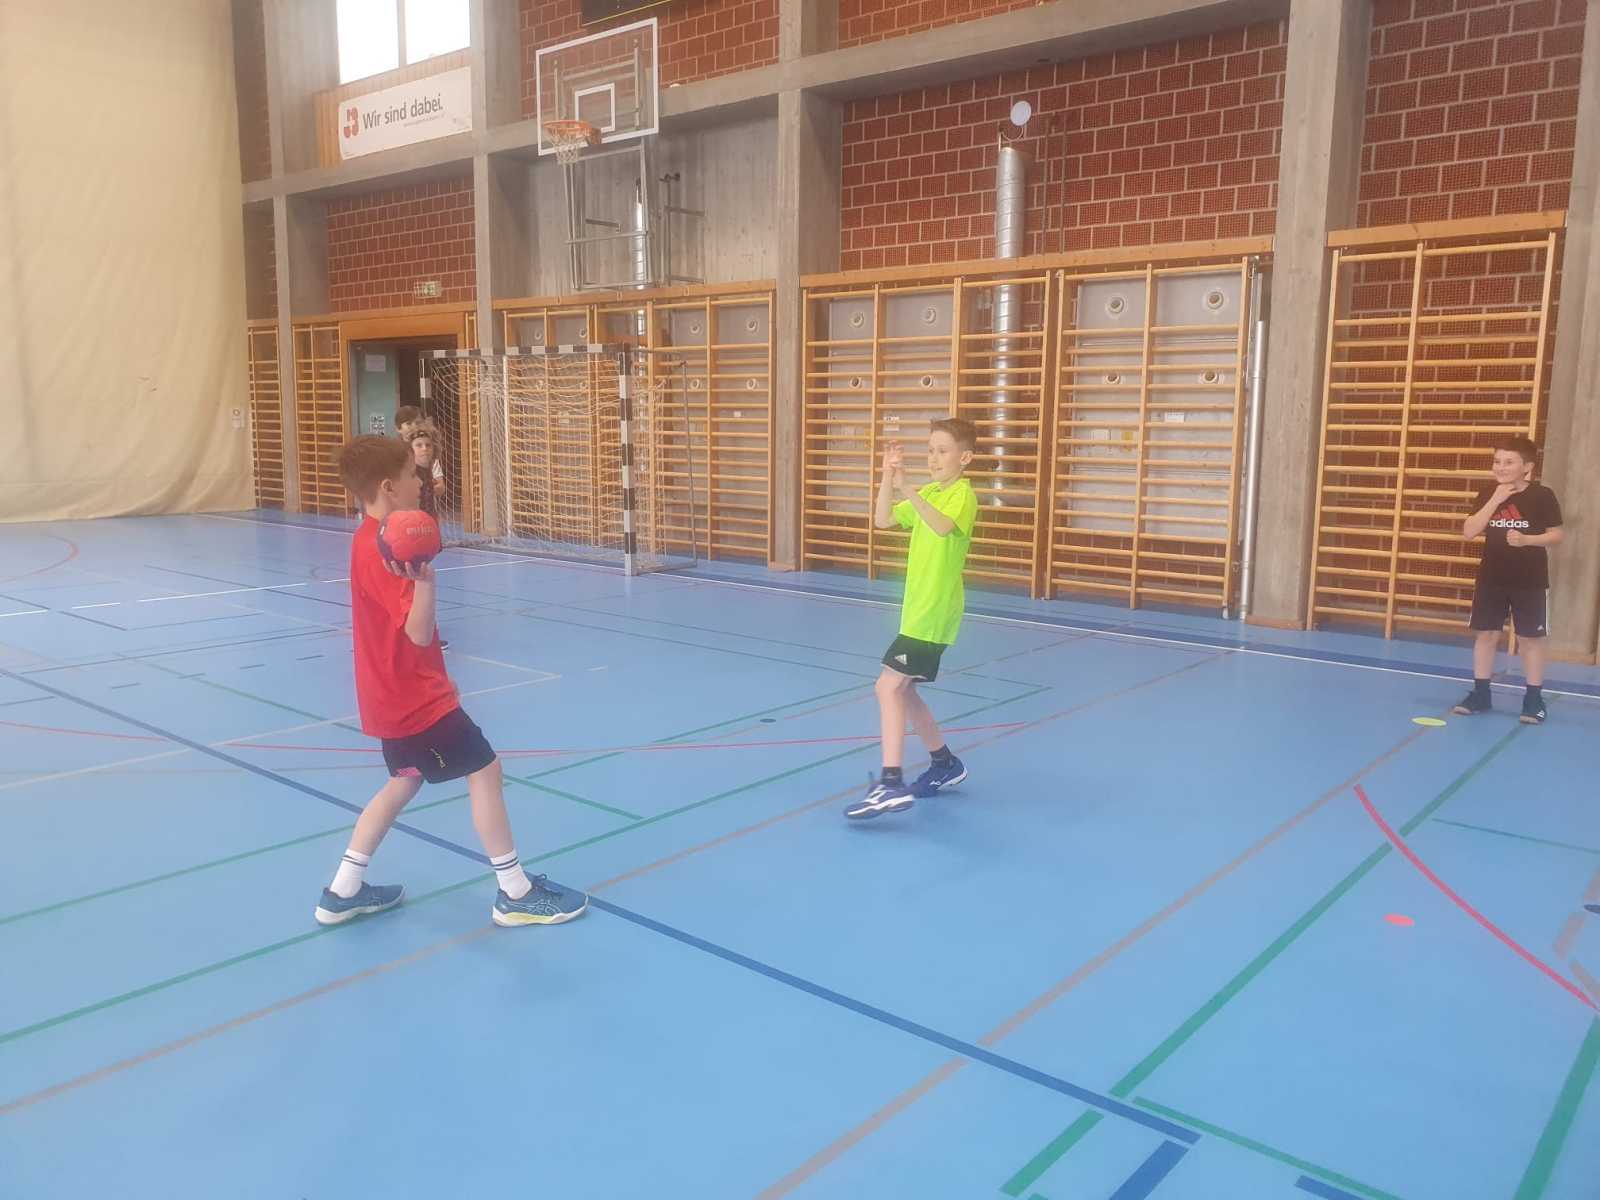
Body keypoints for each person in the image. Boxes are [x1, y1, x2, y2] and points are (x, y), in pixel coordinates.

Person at [313, 435, 587, 928]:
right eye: (411, 474)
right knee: (485, 770)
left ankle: (343, 890)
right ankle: (515, 892)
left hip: (389, 695)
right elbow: (418, 633)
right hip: (413, 700)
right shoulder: (384, 551)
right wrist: (426, 583)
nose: (420, 481)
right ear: (388, 487)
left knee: (405, 779)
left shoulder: (364, 538)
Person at [846, 418, 979, 820]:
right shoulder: (931, 493)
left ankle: (890, 784)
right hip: (916, 613)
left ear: (964, 458)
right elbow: (883, 519)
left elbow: (941, 526)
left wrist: (909, 489)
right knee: (904, 691)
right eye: (930, 450)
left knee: (886, 687)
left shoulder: (961, 495)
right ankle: (944, 763)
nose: (933, 458)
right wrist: (888, 476)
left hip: (932, 614)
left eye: (943, 451)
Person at [1452, 435, 1564, 725]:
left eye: (1509, 462)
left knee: (1530, 640)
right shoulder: (1488, 493)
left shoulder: (1542, 495)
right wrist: (1496, 499)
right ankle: (1481, 693)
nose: (1500, 467)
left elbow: (1557, 535)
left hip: (1530, 581)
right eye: (1497, 461)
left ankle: (1533, 699)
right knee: (1486, 635)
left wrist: (1528, 539)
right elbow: (1469, 531)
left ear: (1527, 466)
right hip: (1491, 578)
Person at [411, 430, 445, 519]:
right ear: (411, 449)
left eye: (428, 445)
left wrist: (430, 486)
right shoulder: (408, 470)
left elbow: (441, 489)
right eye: (419, 445)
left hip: (431, 514)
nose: (424, 448)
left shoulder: (433, 464)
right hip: (413, 516)